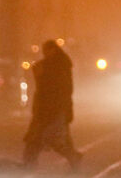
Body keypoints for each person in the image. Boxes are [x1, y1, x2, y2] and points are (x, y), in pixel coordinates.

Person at [23, 39, 82, 170]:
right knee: (40, 136)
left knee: (47, 137)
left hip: (52, 108)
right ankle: (29, 162)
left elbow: (55, 88)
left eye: (47, 51)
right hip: (49, 107)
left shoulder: (56, 67)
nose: (45, 54)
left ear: (53, 50)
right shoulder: (58, 65)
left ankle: (73, 157)